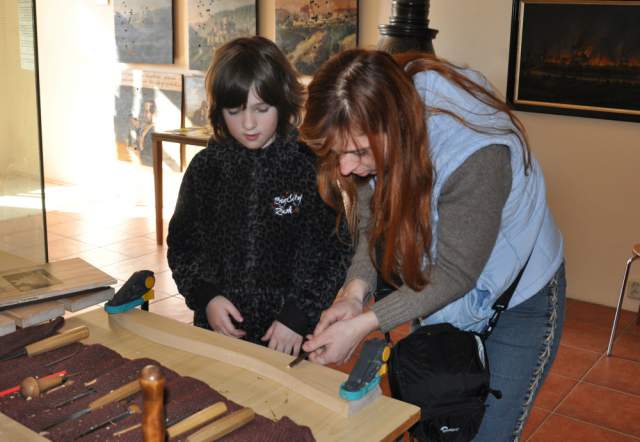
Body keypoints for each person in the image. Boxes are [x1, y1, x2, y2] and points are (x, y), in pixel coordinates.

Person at [300, 49, 565, 441]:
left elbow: (455, 273)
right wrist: (353, 296)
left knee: (486, 433)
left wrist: (363, 325)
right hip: (444, 287)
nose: (345, 168)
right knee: (440, 423)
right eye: (338, 153)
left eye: (358, 152)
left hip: (518, 299)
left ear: (397, 126)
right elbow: (374, 227)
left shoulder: (476, 153)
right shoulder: (374, 123)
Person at [167, 36, 351, 356]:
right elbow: (183, 247)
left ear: (283, 102)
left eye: (261, 109)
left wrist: (298, 315)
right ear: (218, 111)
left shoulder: (309, 168)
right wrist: (207, 298)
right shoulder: (205, 169)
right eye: (234, 111)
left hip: (289, 336)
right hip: (218, 331)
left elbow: (332, 252)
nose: (249, 124)